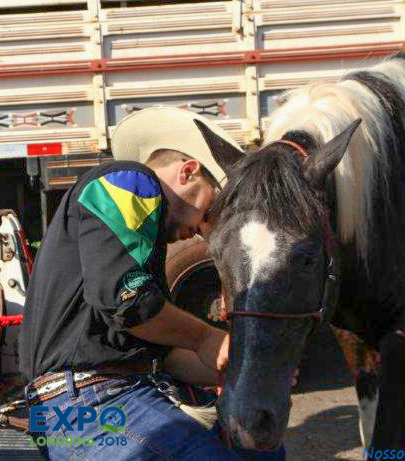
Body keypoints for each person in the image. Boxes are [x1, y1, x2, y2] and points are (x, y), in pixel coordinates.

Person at [19, 107, 286, 460]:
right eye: (211, 211)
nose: (206, 231)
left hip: (92, 400)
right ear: (188, 171)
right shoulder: (131, 180)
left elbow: (159, 352)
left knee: (263, 450)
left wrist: (242, 365)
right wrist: (206, 336)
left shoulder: (143, 245)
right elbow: (125, 300)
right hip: (85, 402)